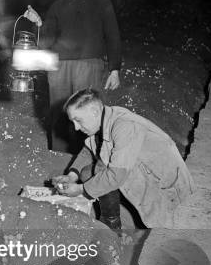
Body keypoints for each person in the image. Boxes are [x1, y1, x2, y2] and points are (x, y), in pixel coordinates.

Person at [52, 89, 194, 229]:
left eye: (78, 120)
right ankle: (111, 221)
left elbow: (116, 175)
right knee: (88, 173)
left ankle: (111, 225)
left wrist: (81, 189)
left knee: (103, 172)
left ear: (94, 112)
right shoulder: (103, 119)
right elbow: (88, 149)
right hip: (140, 171)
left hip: (164, 184)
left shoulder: (124, 126)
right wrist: (71, 176)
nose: (76, 128)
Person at [23, 0, 122, 153]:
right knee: (58, 109)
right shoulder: (58, 4)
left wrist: (114, 68)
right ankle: (59, 151)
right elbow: (45, 41)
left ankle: (88, 154)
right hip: (58, 64)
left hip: (89, 63)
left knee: (87, 109)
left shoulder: (102, 2)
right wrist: (38, 23)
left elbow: (112, 34)